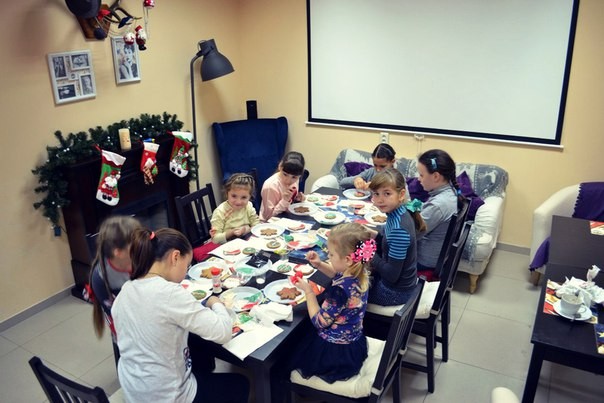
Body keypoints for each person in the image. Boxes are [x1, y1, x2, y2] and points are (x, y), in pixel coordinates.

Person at [111, 228, 249, 403]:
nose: (186, 272)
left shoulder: (125, 290)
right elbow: (223, 332)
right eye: (187, 265)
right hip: (167, 397)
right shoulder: (169, 293)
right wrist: (216, 303)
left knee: (198, 355)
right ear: (175, 257)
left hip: (134, 391)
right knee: (241, 383)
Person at [289, 222, 375, 383]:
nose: (328, 257)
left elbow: (319, 322)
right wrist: (319, 265)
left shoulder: (339, 292)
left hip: (334, 353)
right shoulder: (360, 272)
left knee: (290, 347)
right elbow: (337, 274)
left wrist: (308, 291)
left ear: (348, 259)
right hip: (353, 343)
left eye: (331, 255)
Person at [367, 168, 426, 305]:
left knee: (347, 292)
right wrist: (373, 234)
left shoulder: (399, 230)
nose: (380, 199)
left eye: (387, 193)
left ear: (401, 195)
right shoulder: (399, 212)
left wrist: (369, 254)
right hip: (400, 283)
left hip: (394, 292)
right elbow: (389, 240)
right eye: (376, 194)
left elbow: (391, 275)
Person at [87, 216, 142, 362]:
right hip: (130, 334)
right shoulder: (101, 278)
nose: (142, 245)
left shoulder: (139, 257)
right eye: (136, 242)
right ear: (119, 252)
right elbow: (121, 318)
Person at [416, 149, 465, 280]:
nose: (418, 179)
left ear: (436, 176)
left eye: (421, 175)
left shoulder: (437, 205)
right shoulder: (452, 192)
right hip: (438, 257)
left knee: (379, 247)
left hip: (424, 261)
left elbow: (411, 234)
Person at [210, 173, 260, 244]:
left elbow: (256, 224)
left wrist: (245, 230)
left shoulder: (248, 206)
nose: (238, 202)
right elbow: (215, 239)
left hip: (246, 240)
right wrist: (232, 232)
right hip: (227, 245)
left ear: (250, 196)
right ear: (227, 193)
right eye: (234, 196)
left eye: (244, 197)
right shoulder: (220, 212)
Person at [259, 151, 306, 221]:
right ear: (280, 166)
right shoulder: (270, 186)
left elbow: (290, 202)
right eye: (285, 174)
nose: (288, 181)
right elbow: (267, 217)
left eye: (294, 177)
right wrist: (284, 201)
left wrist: (296, 199)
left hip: (287, 217)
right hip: (271, 222)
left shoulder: (296, 179)